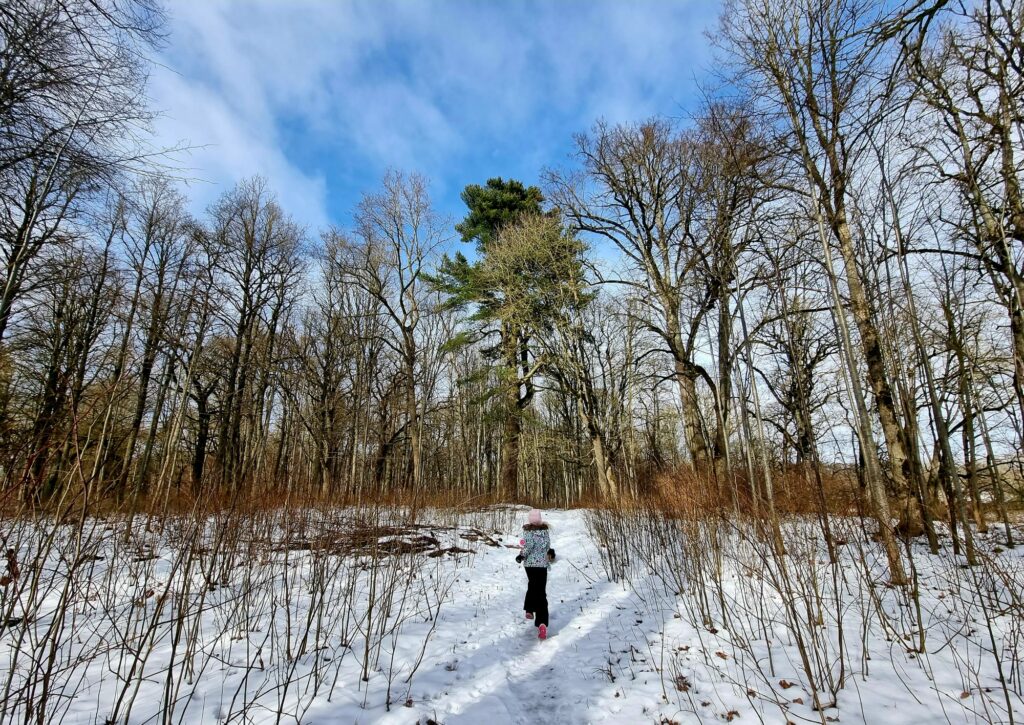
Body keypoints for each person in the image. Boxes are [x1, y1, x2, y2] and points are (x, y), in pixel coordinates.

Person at [515, 508, 555, 639]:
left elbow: (528, 546)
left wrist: (521, 556)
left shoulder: (528, 532)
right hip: (542, 565)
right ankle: (542, 623)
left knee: (532, 586)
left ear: (530, 520)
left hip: (530, 565)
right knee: (541, 593)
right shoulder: (545, 532)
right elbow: (547, 546)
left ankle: (529, 609)